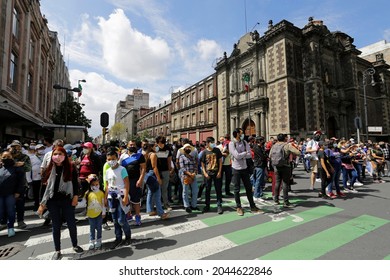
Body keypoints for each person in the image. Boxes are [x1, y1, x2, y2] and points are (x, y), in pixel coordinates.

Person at [36, 146, 83, 260]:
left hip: (67, 199)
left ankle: (75, 244)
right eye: (55, 154)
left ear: (65, 156)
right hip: (52, 201)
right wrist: (41, 204)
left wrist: (76, 196)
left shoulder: (70, 167)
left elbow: (75, 184)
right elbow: (44, 188)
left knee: (71, 223)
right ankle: (57, 250)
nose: (57, 156)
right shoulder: (49, 168)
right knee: (56, 226)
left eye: (60, 154)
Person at [228, 128, 263, 216]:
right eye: (241, 133)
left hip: (244, 168)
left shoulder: (244, 142)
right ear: (236, 134)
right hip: (236, 169)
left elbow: (249, 155)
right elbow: (236, 155)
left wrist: (242, 155)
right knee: (236, 189)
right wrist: (244, 154)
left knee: (248, 187)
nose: (243, 134)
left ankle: (252, 206)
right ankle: (239, 207)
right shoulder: (232, 143)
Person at [104, 148, 131, 249]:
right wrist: (106, 198)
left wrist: (125, 198)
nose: (111, 161)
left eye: (113, 159)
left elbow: (127, 183)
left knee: (121, 220)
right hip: (112, 198)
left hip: (121, 197)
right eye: (109, 159)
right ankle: (118, 238)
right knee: (115, 219)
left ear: (117, 158)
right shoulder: (107, 171)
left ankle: (128, 236)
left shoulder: (122, 169)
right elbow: (107, 185)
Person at [269, 133, 301, 207]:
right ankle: (285, 202)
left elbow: (270, 155)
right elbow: (298, 152)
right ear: (284, 138)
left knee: (277, 183)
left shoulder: (274, 145)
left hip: (276, 166)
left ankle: (276, 200)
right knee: (285, 183)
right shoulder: (287, 145)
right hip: (285, 166)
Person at [0, 151, 25, 237]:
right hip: (0, 194)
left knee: (11, 211)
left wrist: (18, 192)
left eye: (8, 156)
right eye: (4, 157)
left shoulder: (17, 168)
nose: (6, 158)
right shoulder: (0, 168)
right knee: (1, 211)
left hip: (10, 194)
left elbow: (21, 182)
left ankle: (10, 228)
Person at [121, 140, 146, 226]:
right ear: (127, 145)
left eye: (134, 145)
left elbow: (143, 168)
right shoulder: (122, 156)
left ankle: (138, 216)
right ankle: (128, 216)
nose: (132, 146)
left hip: (135, 180)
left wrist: (140, 179)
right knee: (126, 198)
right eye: (130, 144)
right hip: (125, 181)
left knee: (136, 200)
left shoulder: (140, 156)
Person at [143, 141, 169, 219]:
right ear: (152, 147)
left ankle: (150, 210)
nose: (156, 147)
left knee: (150, 193)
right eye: (155, 146)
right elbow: (154, 167)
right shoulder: (153, 155)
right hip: (152, 175)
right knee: (157, 194)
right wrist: (158, 178)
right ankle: (161, 213)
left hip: (147, 175)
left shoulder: (146, 154)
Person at [9, 140, 31, 229]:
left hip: (20, 183)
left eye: (17, 146)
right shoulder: (7, 155)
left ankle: (20, 221)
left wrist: (21, 164)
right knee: (8, 204)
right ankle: (7, 221)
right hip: (8, 184)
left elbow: (28, 168)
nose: (15, 148)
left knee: (20, 203)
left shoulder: (24, 157)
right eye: (13, 146)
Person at [85, 174, 106, 250]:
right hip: (90, 215)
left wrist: (104, 212)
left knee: (99, 228)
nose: (95, 186)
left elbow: (103, 203)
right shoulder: (88, 193)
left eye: (97, 184)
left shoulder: (101, 193)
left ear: (99, 184)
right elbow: (85, 202)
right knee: (92, 228)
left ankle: (99, 240)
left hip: (99, 214)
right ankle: (92, 241)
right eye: (93, 184)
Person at [178, 143, 199, 213]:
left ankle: (194, 205)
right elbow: (182, 167)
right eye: (187, 148)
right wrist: (189, 174)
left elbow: (195, 165)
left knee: (195, 190)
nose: (188, 149)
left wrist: (195, 172)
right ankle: (186, 206)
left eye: (189, 148)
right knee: (185, 191)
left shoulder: (191, 157)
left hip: (192, 176)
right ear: (184, 149)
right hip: (185, 176)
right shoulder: (181, 157)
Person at [155, 136, 173, 210]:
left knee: (164, 189)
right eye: (160, 142)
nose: (161, 143)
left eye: (163, 141)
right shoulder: (155, 148)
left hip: (165, 170)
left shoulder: (167, 148)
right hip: (157, 171)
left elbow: (169, 159)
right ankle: (157, 204)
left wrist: (169, 170)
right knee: (157, 188)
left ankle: (166, 204)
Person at [252, 136, 267, 202]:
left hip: (261, 165)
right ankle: (256, 195)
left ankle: (260, 194)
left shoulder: (260, 147)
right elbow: (262, 156)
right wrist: (265, 155)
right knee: (258, 180)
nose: (263, 141)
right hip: (259, 165)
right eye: (262, 140)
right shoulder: (257, 147)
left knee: (260, 180)